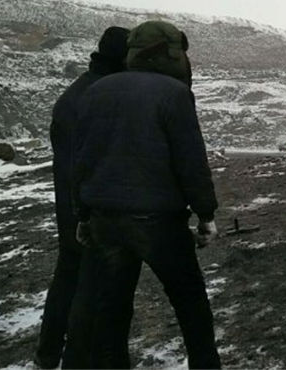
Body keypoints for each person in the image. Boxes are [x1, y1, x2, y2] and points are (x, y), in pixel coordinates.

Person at [72, 20, 221, 369]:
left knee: (110, 314)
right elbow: (190, 160)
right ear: (170, 54)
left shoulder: (96, 91)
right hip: (158, 222)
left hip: (105, 220)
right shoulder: (174, 93)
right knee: (191, 306)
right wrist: (206, 214)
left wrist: (82, 214)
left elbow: (82, 159)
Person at [35, 26, 131, 369]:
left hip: (71, 201)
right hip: (84, 205)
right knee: (87, 287)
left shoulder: (80, 90)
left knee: (68, 275)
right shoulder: (96, 97)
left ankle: (48, 354)